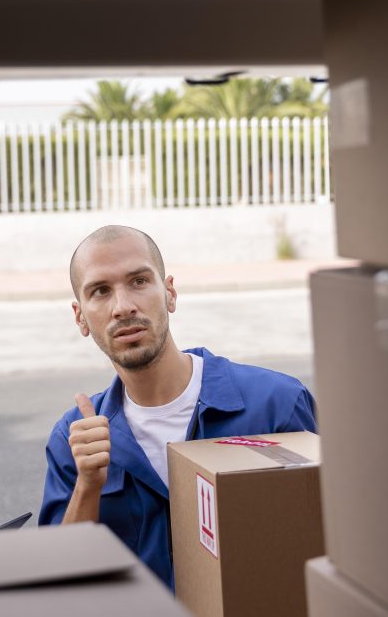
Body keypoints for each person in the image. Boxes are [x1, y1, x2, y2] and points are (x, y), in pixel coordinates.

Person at [38, 225, 318, 588]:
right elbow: (58, 582)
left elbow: (333, 545)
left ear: (169, 293)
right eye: (101, 291)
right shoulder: (73, 438)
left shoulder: (276, 404)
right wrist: (88, 485)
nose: (123, 307)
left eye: (139, 281)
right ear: (80, 317)